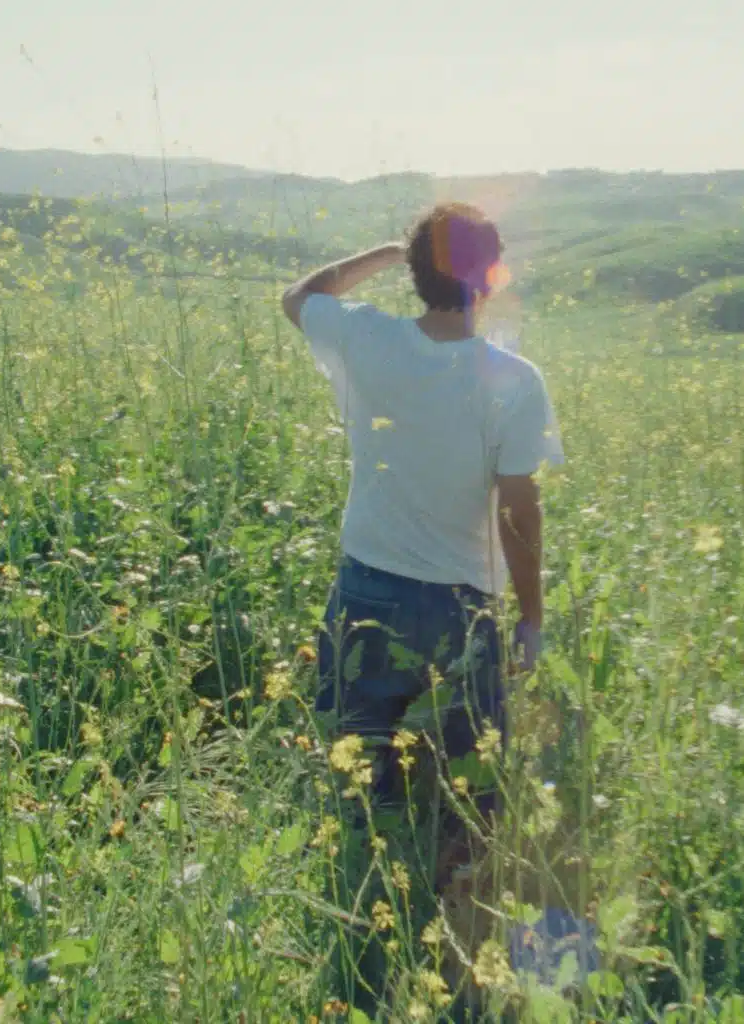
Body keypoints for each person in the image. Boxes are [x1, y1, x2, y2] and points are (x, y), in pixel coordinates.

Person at [282, 202, 563, 1011]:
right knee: (468, 799)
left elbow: (298, 296)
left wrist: (380, 252)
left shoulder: (366, 338)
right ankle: (459, 962)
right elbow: (519, 511)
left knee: (360, 779)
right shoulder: (514, 380)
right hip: (463, 612)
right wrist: (532, 621)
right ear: (491, 278)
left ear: (413, 275)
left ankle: (360, 946)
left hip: (366, 591)